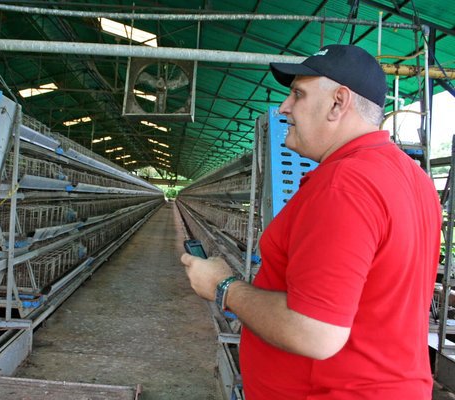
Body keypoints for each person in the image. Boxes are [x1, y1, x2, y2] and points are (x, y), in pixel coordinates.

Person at [180, 44, 442, 399]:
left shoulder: (345, 184)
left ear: (338, 102)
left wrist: (223, 287)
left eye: (298, 94)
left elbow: (315, 331)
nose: (284, 107)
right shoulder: (414, 179)